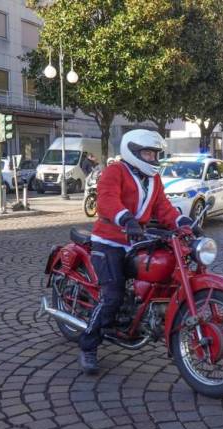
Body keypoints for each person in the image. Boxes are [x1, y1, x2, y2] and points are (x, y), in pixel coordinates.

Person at [78, 129, 199, 375]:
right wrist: (126, 219)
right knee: (112, 294)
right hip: (109, 241)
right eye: (147, 153)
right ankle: (89, 345)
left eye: (155, 154)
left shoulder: (153, 180)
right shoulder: (115, 171)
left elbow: (163, 207)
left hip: (135, 241)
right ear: (132, 152)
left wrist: (182, 223)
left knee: (158, 274)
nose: (153, 159)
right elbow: (107, 199)